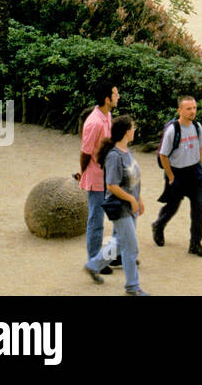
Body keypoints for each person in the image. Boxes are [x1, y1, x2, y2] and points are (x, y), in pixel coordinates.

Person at [83, 115, 147, 295]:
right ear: (127, 132)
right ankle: (132, 287)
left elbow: (133, 179)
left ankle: (93, 265)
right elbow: (111, 185)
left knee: (120, 243)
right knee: (131, 247)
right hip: (121, 208)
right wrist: (132, 199)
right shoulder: (114, 156)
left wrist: (138, 199)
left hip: (130, 207)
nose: (134, 130)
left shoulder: (126, 151)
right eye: (133, 128)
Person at [152, 95, 202, 257]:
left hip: (196, 173)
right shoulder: (173, 130)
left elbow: (201, 147)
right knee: (172, 206)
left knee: (199, 209)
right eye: (189, 108)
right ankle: (158, 225)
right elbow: (163, 155)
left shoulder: (197, 126)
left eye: (194, 108)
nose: (193, 111)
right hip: (177, 173)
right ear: (180, 110)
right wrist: (170, 177)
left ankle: (195, 243)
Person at [78, 82, 118, 275]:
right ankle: (94, 260)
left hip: (108, 174)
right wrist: (84, 174)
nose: (118, 97)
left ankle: (113, 253)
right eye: (115, 94)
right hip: (97, 177)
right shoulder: (94, 122)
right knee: (96, 220)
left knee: (120, 214)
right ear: (106, 99)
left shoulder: (107, 116)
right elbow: (85, 152)